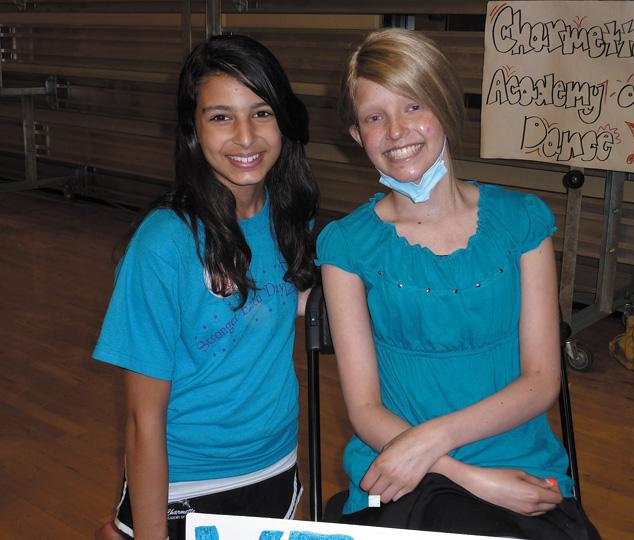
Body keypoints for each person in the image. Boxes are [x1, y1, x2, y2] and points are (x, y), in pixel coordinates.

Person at [316, 28, 600, 539]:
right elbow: (364, 408)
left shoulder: (521, 223)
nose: (397, 131)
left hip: (516, 458)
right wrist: (465, 475)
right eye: (375, 117)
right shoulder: (347, 246)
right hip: (404, 469)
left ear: (446, 108)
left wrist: (436, 441)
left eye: (413, 106)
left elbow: (541, 379)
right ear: (358, 136)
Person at [94, 34, 318, 540]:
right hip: (186, 482)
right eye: (221, 116)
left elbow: (279, 301)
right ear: (193, 129)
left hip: (274, 466)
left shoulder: (289, 218)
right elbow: (141, 419)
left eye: (261, 113)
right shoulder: (163, 244)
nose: (245, 137)